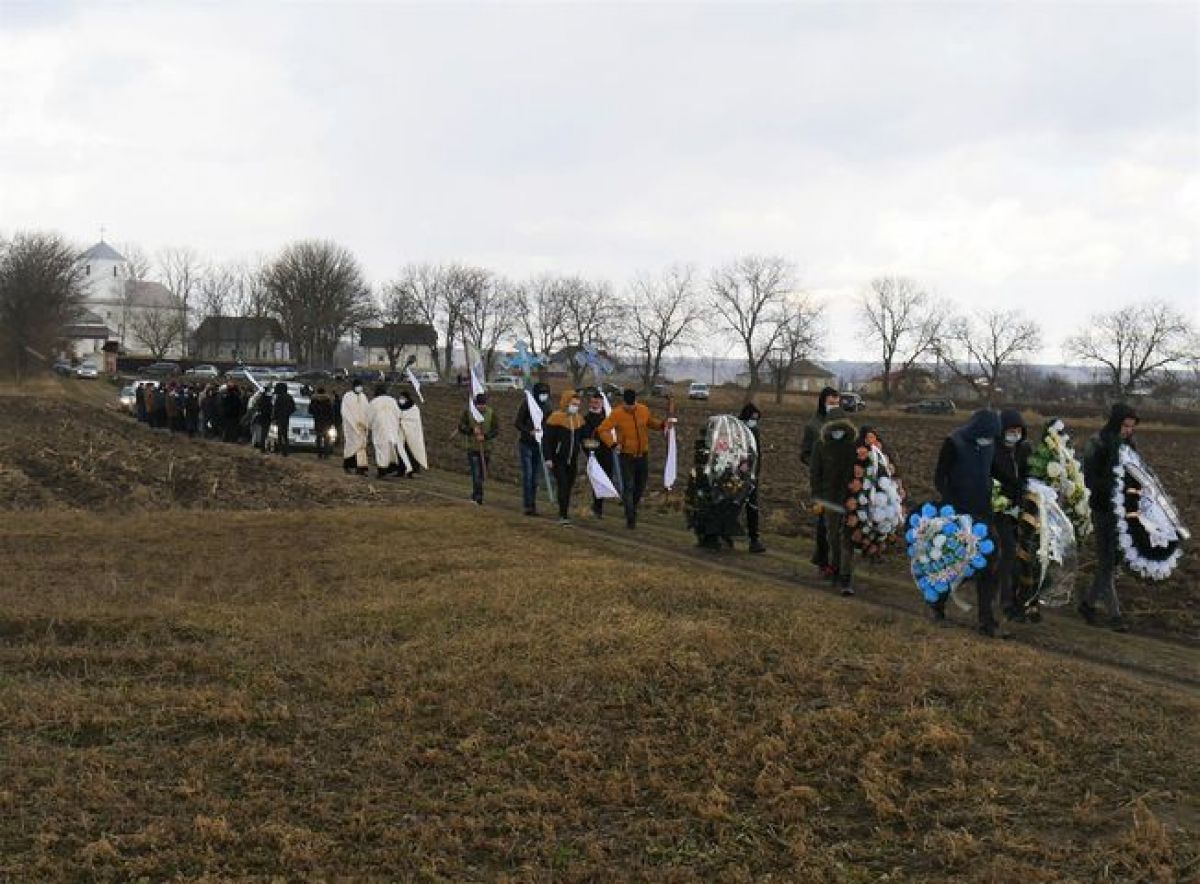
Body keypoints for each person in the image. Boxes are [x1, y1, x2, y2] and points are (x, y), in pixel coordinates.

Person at [933, 408, 1005, 637]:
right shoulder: (953, 442)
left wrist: (1015, 487)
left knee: (990, 565)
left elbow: (994, 471)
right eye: (987, 434)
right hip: (959, 514)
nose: (990, 439)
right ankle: (937, 604)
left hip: (983, 513)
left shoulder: (990, 445)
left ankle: (987, 621)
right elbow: (939, 477)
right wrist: (951, 504)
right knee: (955, 564)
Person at [1081, 403, 1138, 632]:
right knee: (1107, 560)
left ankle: (1087, 604)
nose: (1128, 430)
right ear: (1116, 423)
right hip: (1102, 508)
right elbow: (1088, 478)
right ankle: (1116, 616)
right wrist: (1112, 487)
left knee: (1113, 561)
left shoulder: (1129, 445)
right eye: (1125, 426)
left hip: (1122, 511)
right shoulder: (1097, 443)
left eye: (1132, 427)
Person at [592, 388, 674, 529]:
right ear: (624, 402)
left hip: (643, 455)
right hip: (626, 456)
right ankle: (630, 517)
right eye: (628, 405)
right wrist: (613, 444)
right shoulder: (617, 413)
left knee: (640, 486)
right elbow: (602, 430)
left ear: (636, 401)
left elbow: (650, 422)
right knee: (628, 486)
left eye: (632, 404)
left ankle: (632, 507)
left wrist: (662, 425)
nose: (630, 407)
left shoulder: (643, 410)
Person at [811, 407, 859, 595]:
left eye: (841, 428)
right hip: (828, 499)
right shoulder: (820, 446)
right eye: (834, 428)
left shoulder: (853, 446)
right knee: (832, 537)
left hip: (850, 500)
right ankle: (835, 568)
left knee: (847, 538)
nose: (837, 432)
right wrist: (817, 498)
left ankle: (846, 578)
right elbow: (815, 474)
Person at [991, 409, 1032, 621]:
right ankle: (1005, 600)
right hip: (1000, 509)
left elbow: (1027, 475)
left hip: (1020, 509)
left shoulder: (1023, 450)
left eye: (1018, 431)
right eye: (1010, 430)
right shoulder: (993, 452)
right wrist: (1000, 500)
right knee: (1008, 550)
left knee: (1019, 554)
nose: (1014, 435)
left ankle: (1016, 596)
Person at [801, 386, 841, 573]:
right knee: (824, 522)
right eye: (831, 403)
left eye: (837, 403)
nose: (834, 406)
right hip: (823, 481)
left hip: (841, 479)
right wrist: (817, 465)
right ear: (823, 402)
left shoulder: (843, 424)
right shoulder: (813, 425)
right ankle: (822, 559)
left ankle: (838, 561)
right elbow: (805, 453)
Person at [543, 390, 586, 525]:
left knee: (569, 486)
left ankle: (564, 509)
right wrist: (548, 458)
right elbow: (547, 440)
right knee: (563, 484)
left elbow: (582, 438)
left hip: (572, 459)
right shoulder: (555, 418)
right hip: (558, 459)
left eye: (577, 405)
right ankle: (563, 515)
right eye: (573, 404)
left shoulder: (579, 419)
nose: (575, 407)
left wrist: (589, 450)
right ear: (566, 403)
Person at [514, 381, 552, 515]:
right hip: (526, 444)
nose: (544, 396)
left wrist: (544, 433)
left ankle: (533, 503)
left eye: (546, 393)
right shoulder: (527, 404)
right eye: (542, 393)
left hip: (539, 446)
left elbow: (549, 425)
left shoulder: (547, 407)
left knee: (535, 478)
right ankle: (528, 504)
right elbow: (518, 423)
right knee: (528, 475)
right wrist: (529, 431)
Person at [581, 390, 619, 519]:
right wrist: (590, 452)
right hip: (593, 454)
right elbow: (585, 438)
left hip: (606, 453)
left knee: (605, 479)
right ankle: (596, 508)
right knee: (596, 480)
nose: (595, 404)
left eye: (597, 402)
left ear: (602, 403)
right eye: (593, 402)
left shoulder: (606, 418)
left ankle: (598, 506)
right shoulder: (586, 419)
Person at [458, 392, 499, 504]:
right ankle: (478, 497)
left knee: (481, 474)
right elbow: (461, 427)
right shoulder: (468, 413)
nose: (482, 407)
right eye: (479, 405)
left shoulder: (491, 413)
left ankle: (476, 493)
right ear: (476, 404)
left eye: (483, 404)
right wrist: (472, 430)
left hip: (486, 448)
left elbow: (496, 430)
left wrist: (485, 436)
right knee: (476, 473)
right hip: (473, 448)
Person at [739, 402, 767, 553]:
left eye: (756, 419)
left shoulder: (754, 431)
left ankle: (754, 539)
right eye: (752, 419)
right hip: (735, 473)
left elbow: (757, 454)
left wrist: (755, 474)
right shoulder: (736, 429)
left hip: (751, 475)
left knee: (752, 506)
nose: (754, 422)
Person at [368, 383, 403, 478]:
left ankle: (382, 470)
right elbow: (398, 414)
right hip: (392, 427)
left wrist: (369, 426)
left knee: (381, 448)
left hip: (380, 428)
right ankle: (392, 465)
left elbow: (369, 417)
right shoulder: (392, 400)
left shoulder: (373, 402)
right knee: (391, 447)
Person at [340, 381, 371, 475]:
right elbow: (345, 412)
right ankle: (348, 466)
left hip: (362, 427)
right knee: (351, 446)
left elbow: (367, 411)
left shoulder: (363, 397)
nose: (359, 388)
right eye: (358, 386)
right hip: (351, 427)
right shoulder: (347, 396)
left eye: (360, 386)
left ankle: (361, 468)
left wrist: (366, 423)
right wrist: (353, 423)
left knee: (361, 447)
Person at [396, 390, 428, 476]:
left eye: (403, 398)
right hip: (400, 431)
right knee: (400, 450)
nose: (401, 399)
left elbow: (413, 421)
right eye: (400, 398)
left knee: (411, 450)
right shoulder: (397, 407)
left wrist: (403, 421)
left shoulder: (414, 409)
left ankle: (413, 469)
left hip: (411, 432)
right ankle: (401, 469)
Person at [309, 387, 335, 459]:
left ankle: (319, 454)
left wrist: (315, 414)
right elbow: (331, 412)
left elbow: (310, 410)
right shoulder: (328, 400)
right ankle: (326, 454)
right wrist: (332, 422)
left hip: (318, 421)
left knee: (319, 438)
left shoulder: (314, 400)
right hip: (326, 422)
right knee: (327, 438)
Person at [271, 382, 296, 456]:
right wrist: (288, 413)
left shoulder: (279, 397)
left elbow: (276, 408)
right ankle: (285, 451)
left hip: (280, 417)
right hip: (286, 417)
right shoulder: (289, 397)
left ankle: (280, 450)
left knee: (280, 434)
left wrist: (274, 417)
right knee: (285, 435)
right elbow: (293, 408)